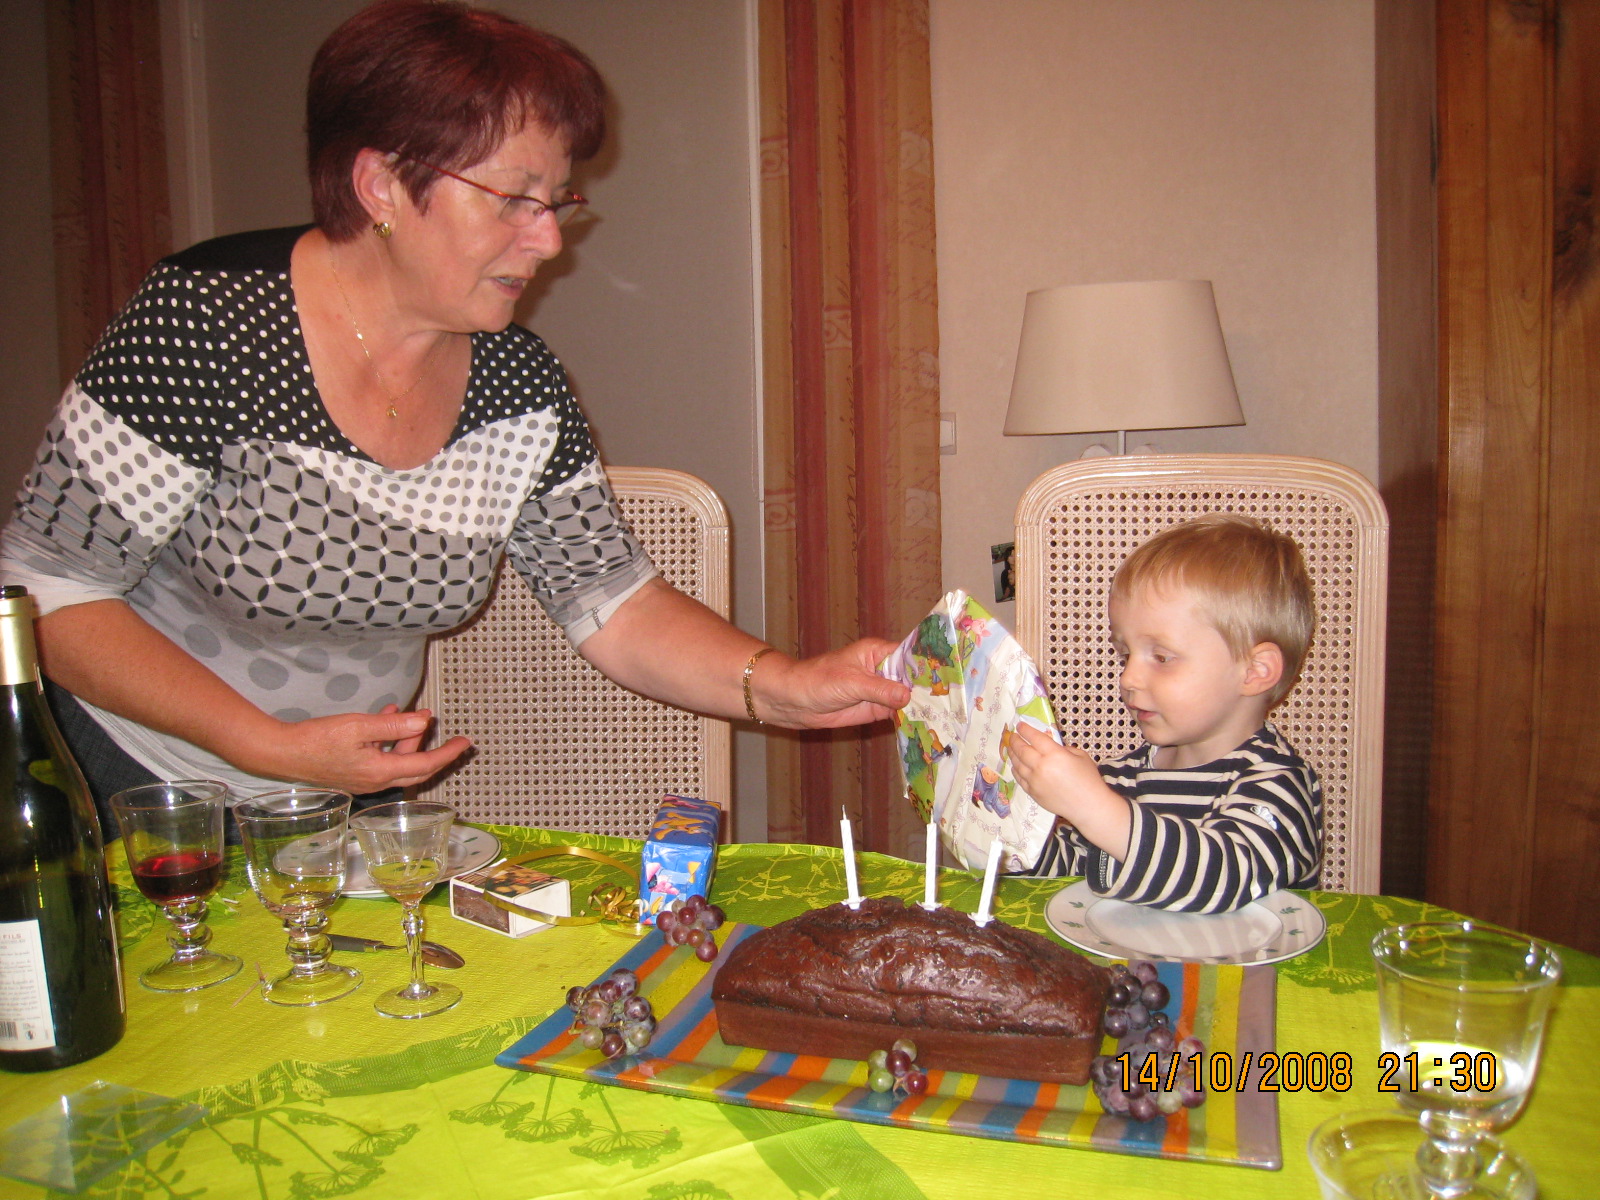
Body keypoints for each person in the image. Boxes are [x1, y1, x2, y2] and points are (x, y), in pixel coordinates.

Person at [0, 0, 908, 833]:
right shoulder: (207, 325)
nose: (548, 240)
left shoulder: (517, 384)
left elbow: (613, 602)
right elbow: (48, 593)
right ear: (381, 184)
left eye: (556, 201)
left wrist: (783, 686)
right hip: (132, 794)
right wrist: (262, 745)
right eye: (513, 199)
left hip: (330, 802)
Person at [1009, 513, 1320, 913]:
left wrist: (1091, 806)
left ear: (1254, 671)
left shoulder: (1277, 784)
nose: (1128, 677)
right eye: (1125, 654)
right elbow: (1075, 874)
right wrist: (1007, 832)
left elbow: (1223, 878)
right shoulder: (1121, 778)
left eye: (1161, 657)